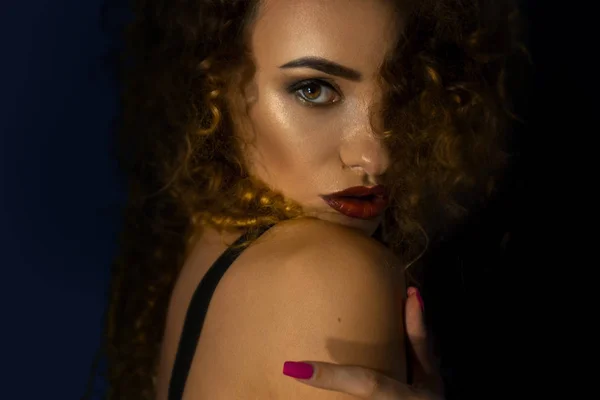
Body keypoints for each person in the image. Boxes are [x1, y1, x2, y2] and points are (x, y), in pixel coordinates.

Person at [95, 0, 526, 399]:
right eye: (314, 90)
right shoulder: (330, 276)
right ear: (215, 83)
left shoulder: (208, 236)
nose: (376, 155)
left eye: (400, 92)